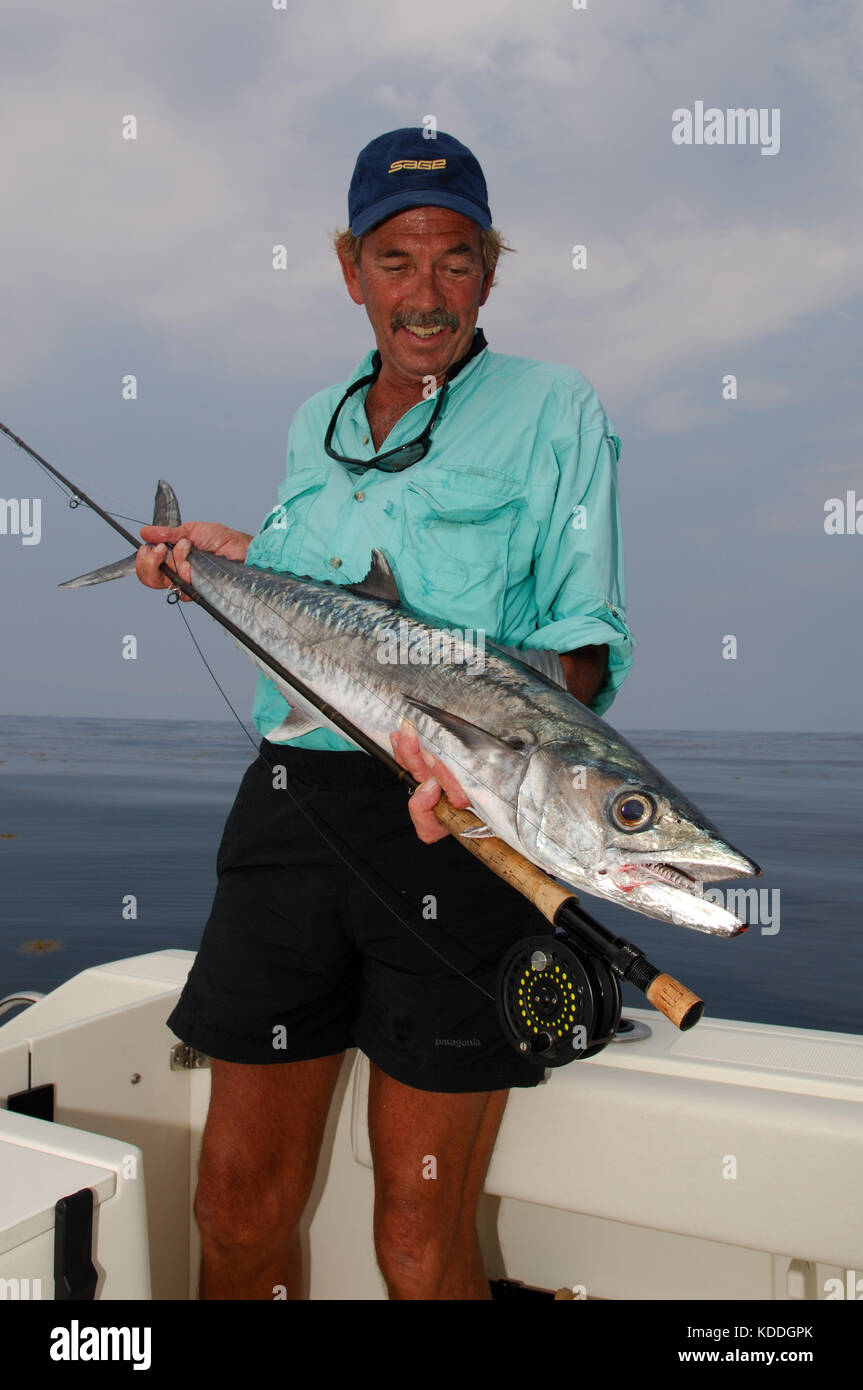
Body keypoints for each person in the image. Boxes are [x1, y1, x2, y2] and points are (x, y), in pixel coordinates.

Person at [135, 127, 634, 1301]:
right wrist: (223, 558)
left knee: (415, 1239)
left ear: (489, 272)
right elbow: (327, 603)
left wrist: (497, 761)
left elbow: (579, 643)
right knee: (235, 1207)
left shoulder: (553, 410)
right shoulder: (314, 417)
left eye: (454, 260)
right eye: (395, 261)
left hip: (458, 822)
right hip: (290, 810)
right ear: (350, 269)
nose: (425, 295)